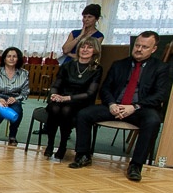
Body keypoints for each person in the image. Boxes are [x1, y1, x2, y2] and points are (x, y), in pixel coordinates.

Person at [69, 31, 171, 182]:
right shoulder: (119, 64)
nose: (139, 49)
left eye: (144, 47)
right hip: (115, 106)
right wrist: (111, 104)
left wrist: (135, 106)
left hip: (140, 109)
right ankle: (83, 155)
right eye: (137, 45)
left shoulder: (161, 68)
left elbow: (160, 95)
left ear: (154, 49)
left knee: (153, 121)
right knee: (84, 114)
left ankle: (135, 165)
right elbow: (105, 88)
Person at [43, 36, 102, 161]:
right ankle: (50, 144)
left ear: (95, 51)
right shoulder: (67, 65)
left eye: (89, 47)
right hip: (61, 98)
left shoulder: (97, 69)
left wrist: (67, 98)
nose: (85, 50)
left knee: (66, 110)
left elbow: (90, 93)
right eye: (82, 47)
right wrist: (53, 95)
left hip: (80, 101)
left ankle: (62, 145)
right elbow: (56, 85)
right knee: (54, 108)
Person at [0, 46, 30, 146]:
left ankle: (12, 136)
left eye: (14, 56)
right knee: (0, 110)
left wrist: (15, 99)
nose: (11, 59)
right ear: (4, 58)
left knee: (18, 111)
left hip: (14, 99)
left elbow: (25, 93)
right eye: (9, 56)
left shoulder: (24, 73)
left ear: (18, 59)